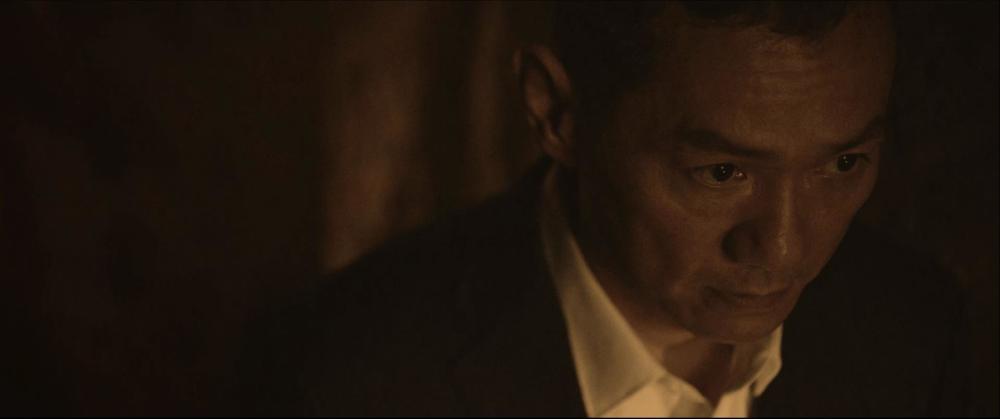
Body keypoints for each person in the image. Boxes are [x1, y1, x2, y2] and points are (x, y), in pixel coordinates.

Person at [237, 2, 969, 416]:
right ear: (556, 112)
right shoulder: (346, 378)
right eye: (722, 172)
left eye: (843, 164)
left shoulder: (916, 331)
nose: (784, 248)